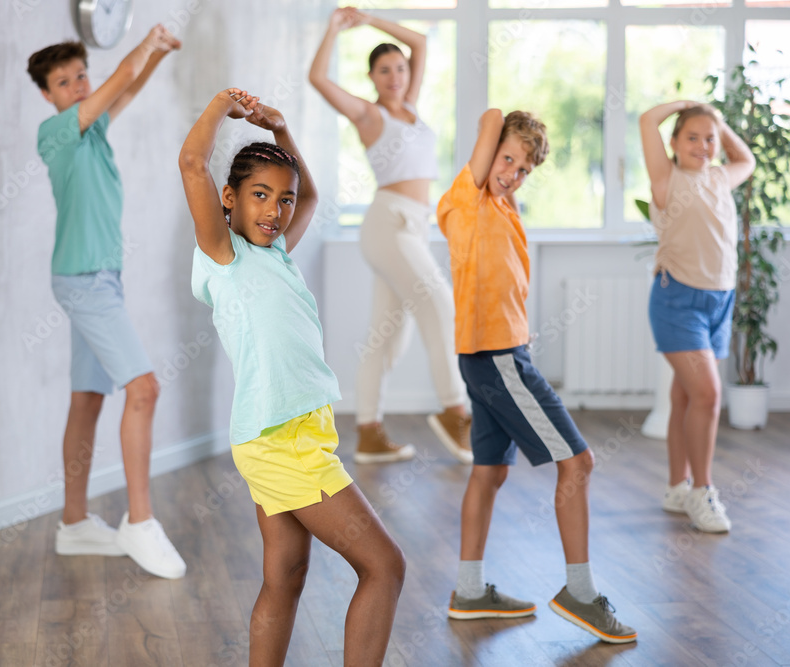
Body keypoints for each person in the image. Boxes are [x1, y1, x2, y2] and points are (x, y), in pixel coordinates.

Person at [179, 88, 406, 666]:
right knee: (384, 565)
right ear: (227, 199)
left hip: (296, 428)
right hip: (281, 438)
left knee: (286, 575)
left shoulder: (276, 252)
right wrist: (219, 106)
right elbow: (190, 163)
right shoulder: (222, 255)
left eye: (282, 201)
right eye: (259, 196)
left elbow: (314, 195)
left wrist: (281, 129)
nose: (273, 212)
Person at [437, 109, 637, 643]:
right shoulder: (465, 196)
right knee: (579, 463)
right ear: (486, 154)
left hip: (496, 357)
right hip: (498, 360)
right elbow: (490, 117)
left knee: (489, 472)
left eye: (524, 168)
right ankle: (580, 592)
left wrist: (517, 164)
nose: (512, 173)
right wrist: (504, 135)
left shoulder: (503, 206)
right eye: (506, 159)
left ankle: (469, 590)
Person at [27, 26, 186, 576]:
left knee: (88, 399)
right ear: (47, 94)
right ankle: (139, 523)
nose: (75, 86)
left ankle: (73, 524)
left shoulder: (92, 133)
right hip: (84, 281)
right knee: (143, 388)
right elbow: (118, 80)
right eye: (63, 81)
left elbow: (126, 89)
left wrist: (159, 57)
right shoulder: (56, 133)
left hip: (99, 279)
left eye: (79, 76)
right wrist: (145, 41)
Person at [309, 6, 472, 465]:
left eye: (400, 68)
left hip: (413, 229)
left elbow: (419, 42)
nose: (396, 75)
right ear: (372, 78)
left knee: (386, 337)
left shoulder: (412, 110)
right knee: (439, 303)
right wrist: (336, 27)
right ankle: (455, 411)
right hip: (388, 225)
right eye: (385, 70)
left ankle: (368, 432)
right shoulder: (370, 116)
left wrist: (371, 16)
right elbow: (318, 79)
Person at [640, 101, 755, 533]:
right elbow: (646, 120)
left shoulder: (721, 177)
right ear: (673, 142)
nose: (704, 146)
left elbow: (748, 159)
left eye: (710, 139)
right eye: (692, 137)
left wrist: (716, 126)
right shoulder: (667, 181)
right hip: (678, 301)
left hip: (719, 303)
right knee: (707, 394)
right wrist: (687, 107)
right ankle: (702, 491)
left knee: (685, 398)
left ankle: (676, 486)